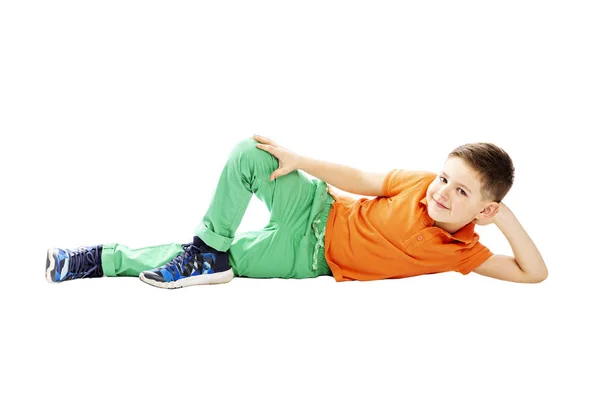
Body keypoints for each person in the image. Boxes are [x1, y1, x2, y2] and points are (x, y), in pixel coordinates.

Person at [45, 134, 548, 289]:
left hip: (307, 255)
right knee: (250, 152)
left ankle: (100, 259)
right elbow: (359, 179)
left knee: (233, 258)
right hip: (316, 206)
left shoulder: (461, 252)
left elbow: (535, 274)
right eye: (444, 178)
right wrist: (298, 161)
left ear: (483, 207)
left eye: (461, 193)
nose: (441, 193)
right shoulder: (418, 186)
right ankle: (206, 251)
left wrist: (502, 217)